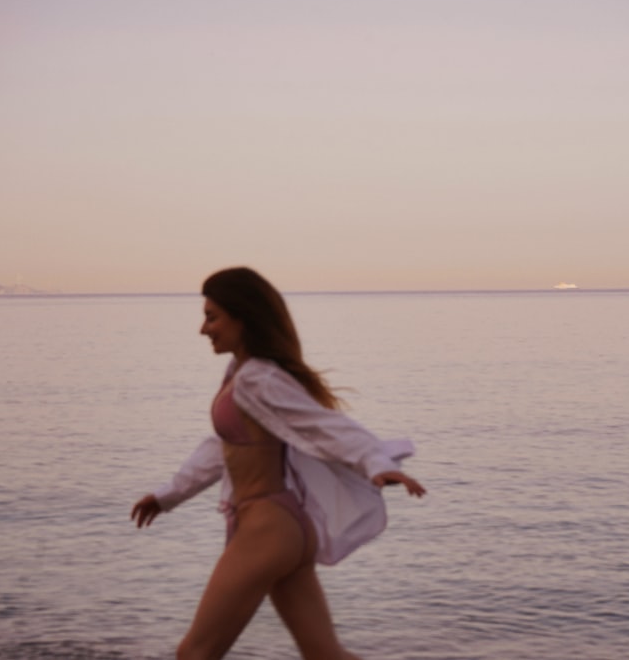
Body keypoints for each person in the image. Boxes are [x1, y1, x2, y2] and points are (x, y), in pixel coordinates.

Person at [131, 267, 426, 660]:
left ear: (243, 317)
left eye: (212, 317)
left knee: (195, 654)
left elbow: (322, 425)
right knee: (324, 654)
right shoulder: (240, 375)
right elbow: (223, 447)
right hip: (284, 530)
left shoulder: (258, 379)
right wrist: (170, 495)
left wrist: (375, 462)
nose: (204, 329)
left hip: (267, 529)